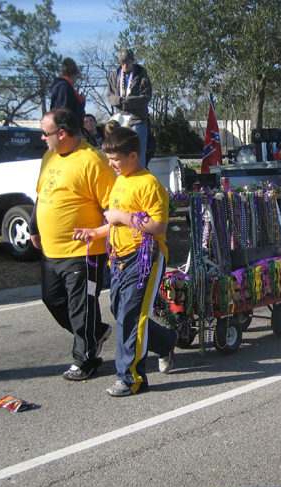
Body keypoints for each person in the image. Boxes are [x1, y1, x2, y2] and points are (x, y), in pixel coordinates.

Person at [71, 128, 178, 396]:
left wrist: (122, 217)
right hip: (118, 259)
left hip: (145, 259)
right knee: (121, 311)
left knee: (132, 317)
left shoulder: (149, 184)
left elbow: (159, 225)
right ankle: (166, 341)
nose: (111, 164)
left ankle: (131, 379)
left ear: (133, 155)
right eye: (108, 158)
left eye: (115, 159)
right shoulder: (121, 180)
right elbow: (114, 222)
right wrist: (95, 232)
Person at [30, 107, 116, 381]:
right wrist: (35, 228)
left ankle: (85, 358)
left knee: (82, 307)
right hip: (51, 251)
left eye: (46, 133)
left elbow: (112, 207)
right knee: (53, 299)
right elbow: (40, 195)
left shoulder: (92, 161)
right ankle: (95, 332)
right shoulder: (49, 157)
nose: (43, 138)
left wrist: (106, 237)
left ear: (63, 133)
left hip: (84, 252)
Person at [107, 49, 152, 168]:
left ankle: (140, 180)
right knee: (121, 153)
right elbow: (110, 96)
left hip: (137, 120)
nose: (124, 66)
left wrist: (127, 102)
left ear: (132, 61)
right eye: (122, 63)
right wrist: (119, 101)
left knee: (138, 153)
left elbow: (146, 97)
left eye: (127, 63)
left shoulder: (142, 76)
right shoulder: (114, 76)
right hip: (121, 120)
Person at [49, 58, 86, 129]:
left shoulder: (62, 86)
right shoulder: (65, 87)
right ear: (74, 76)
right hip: (69, 129)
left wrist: (81, 101)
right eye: (76, 77)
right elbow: (64, 111)